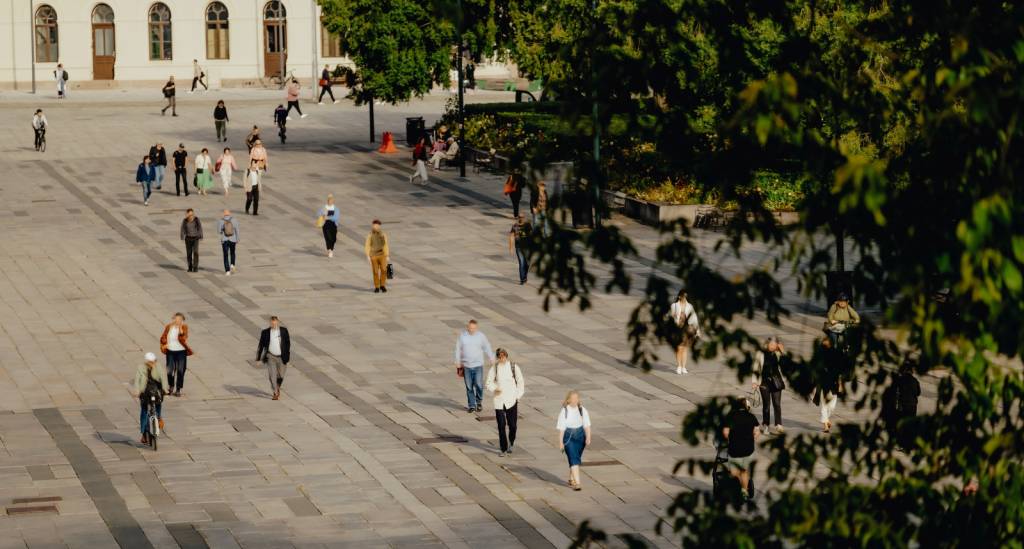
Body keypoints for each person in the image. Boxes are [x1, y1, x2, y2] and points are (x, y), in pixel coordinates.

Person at [485, 348, 525, 457]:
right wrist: (494, 388)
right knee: (501, 425)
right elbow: (488, 383)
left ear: (506, 356)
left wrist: (517, 396)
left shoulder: (513, 367)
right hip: (499, 401)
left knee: (513, 425)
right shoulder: (494, 368)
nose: (502, 358)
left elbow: (520, 382)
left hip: (512, 399)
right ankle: (503, 448)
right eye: (499, 357)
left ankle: (511, 441)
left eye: (503, 356)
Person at [722, 396, 760, 498]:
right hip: (748, 449)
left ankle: (737, 488)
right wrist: (750, 439)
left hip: (735, 448)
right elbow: (757, 433)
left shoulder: (730, 417)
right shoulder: (751, 416)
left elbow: (725, 433)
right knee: (745, 471)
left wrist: (729, 438)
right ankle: (744, 490)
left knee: (734, 472)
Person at [454, 320, 494, 413]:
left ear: (476, 328)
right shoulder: (462, 336)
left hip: (478, 365)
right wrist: (457, 361)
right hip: (467, 365)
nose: (472, 330)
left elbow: (487, 346)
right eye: (470, 328)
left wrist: (491, 357)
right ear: (467, 327)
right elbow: (458, 349)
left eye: (474, 328)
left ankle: (479, 402)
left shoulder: (481, 336)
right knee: (469, 386)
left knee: (479, 385)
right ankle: (471, 405)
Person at [556, 390, 592, 491]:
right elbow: (562, 428)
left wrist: (588, 437)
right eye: (573, 398)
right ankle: (578, 483)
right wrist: (561, 443)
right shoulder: (564, 411)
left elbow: (587, 425)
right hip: (568, 437)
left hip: (580, 436)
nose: (575, 400)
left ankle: (572, 478)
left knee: (576, 457)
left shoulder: (582, 410)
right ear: (568, 400)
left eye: (577, 398)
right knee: (573, 458)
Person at [753, 337, 786, 434]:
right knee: (766, 405)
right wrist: (754, 381)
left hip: (776, 382)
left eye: (774, 345)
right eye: (771, 344)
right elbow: (756, 367)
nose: (772, 346)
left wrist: (783, 351)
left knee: (777, 403)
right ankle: (766, 425)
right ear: (767, 344)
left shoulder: (778, 354)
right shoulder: (760, 353)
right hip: (764, 382)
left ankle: (778, 424)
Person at [134, 352, 168, 444]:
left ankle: (159, 417)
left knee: (158, 404)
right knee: (144, 411)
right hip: (145, 391)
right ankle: (144, 433)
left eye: (153, 361)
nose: (152, 363)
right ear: (146, 361)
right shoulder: (141, 368)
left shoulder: (158, 367)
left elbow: (163, 378)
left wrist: (165, 389)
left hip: (156, 390)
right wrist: (137, 391)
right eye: (150, 362)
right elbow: (137, 380)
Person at [256, 316, 291, 400]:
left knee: (281, 375)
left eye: (275, 323)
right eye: (272, 323)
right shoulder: (265, 332)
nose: (273, 325)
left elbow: (288, 343)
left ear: (278, 322)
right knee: (272, 375)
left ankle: (277, 386)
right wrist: (258, 358)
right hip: (270, 356)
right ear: (270, 323)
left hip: (282, 357)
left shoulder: (283, 331)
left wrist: (287, 355)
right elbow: (261, 345)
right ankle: (275, 392)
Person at [160, 313, 193, 397]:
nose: (177, 321)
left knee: (181, 370)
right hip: (170, 351)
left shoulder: (184, 327)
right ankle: (171, 386)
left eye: (179, 319)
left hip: (181, 352)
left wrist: (181, 331)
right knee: (170, 371)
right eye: (176, 319)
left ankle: (178, 389)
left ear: (182, 320)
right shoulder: (169, 327)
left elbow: (184, 338)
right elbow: (163, 337)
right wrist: (165, 343)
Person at [814, 337, 843, 433]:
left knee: (832, 406)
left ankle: (826, 419)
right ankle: (826, 425)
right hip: (823, 384)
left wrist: (840, 383)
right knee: (824, 405)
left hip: (833, 384)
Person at [670, 289, 702, 374]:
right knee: (679, 348)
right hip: (677, 329)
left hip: (686, 330)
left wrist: (697, 331)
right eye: (683, 296)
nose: (685, 298)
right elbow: (671, 317)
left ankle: (683, 367)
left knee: (684, 349)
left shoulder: (690, 306)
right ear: (679, 296)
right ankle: (679, 366)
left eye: (686, 297)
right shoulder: (674, 305)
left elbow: (694, 319)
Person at [364, 220, 390, 293]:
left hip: (382, 255)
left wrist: (387, 255)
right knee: (375, 271)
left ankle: (382, 285)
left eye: (377, 225)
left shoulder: (383, 235)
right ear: (373, 226)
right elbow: (367, 245)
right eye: (374, 225)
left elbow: (385, 245)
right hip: (373, 255)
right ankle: (377, 286)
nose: (376, 227)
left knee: (384, 270)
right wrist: (368, 255)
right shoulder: (370, 235)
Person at [508, 214, 533, 285]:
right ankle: (522, 279)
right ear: (518, 218)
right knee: (521, 262)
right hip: (519, 247)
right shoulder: (515, 226)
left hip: (527, 247)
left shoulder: (527, 225)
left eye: (522, 217)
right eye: (520, 217)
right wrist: (511, 247)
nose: (521, 218)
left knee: (527, 263)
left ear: (524, 218)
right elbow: (511, 236)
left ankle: (525, 276)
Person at [180, 208, 203, 272]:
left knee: (196, 252)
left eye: (192, 214)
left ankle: (195, 267)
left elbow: (200, 227)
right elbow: (182, 228)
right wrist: (182, 236)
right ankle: (190, 267)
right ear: (187, 214)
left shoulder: (196, 219)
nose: (191, 216)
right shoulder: (185, 221)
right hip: (188, 238)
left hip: (195, 238)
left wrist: (200, 235)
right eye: (190, 214)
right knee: (189, 253)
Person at [218, 209, 238, 275]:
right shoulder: (234, 220)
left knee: (225, 255)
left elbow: (219, 231)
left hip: (225, 240)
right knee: (232, 252)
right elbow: (237, 230)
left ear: (224, 214)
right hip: (233, 239)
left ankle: (227, 271)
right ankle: (232, 264)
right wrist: (237, 238)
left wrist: (222, 230)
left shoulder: (221, 221)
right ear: (229, 213)